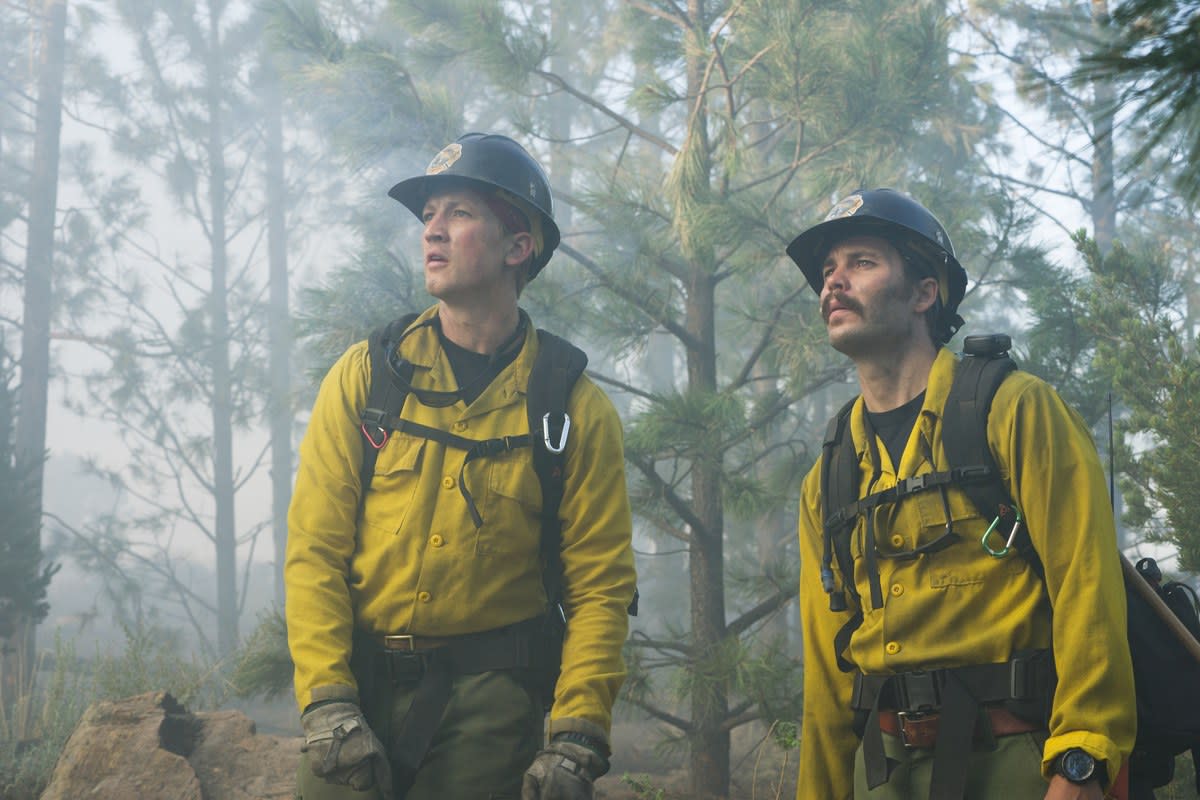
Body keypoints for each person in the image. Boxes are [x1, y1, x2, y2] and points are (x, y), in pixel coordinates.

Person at [285, 132, 637, 800]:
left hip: (491, 711)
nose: (433, 232)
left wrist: (576, 736)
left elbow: (600, 587)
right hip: (354, 692)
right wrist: (326, 700)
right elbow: (315, 553)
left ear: (519, 245)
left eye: (459, 214)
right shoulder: (367, 379)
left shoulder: (570, 407)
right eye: (428, 217)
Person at [786, 189, 1136, 800]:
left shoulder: (1013, 409)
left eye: (861, 263)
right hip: (887, 771)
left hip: (1021, 766)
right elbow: (827, 674)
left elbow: (1088, 590)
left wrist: (1083, 762)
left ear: (925, 292)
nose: (834, 282)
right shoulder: (832, 473)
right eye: (827, 271)